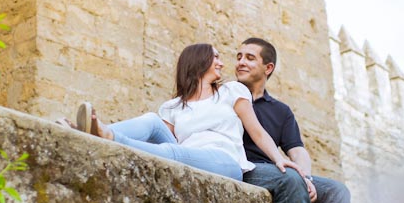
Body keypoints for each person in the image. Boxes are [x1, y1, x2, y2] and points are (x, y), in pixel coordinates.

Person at [235, 38, 371, 203]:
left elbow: (296, 150)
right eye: (239, 56)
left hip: (277, 169)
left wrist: (307, 177)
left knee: (336, 190)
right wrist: (296, 176)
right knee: (291, 180)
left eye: (250, 57)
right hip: (243, 167)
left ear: (268, 67)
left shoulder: (281, 111)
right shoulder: (227, 96)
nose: (240, 61)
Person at [63, 43, 301, 182]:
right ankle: (85, 132)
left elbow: (257, 132)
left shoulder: (232, 91)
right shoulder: (173, 107)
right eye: (216, 57)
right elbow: (165, 141)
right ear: (200, 61)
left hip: (223, 160)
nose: (221, 63)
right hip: (188, 154)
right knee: (151, 122)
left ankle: (108, 137)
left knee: (171, 152)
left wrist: (280, 159)